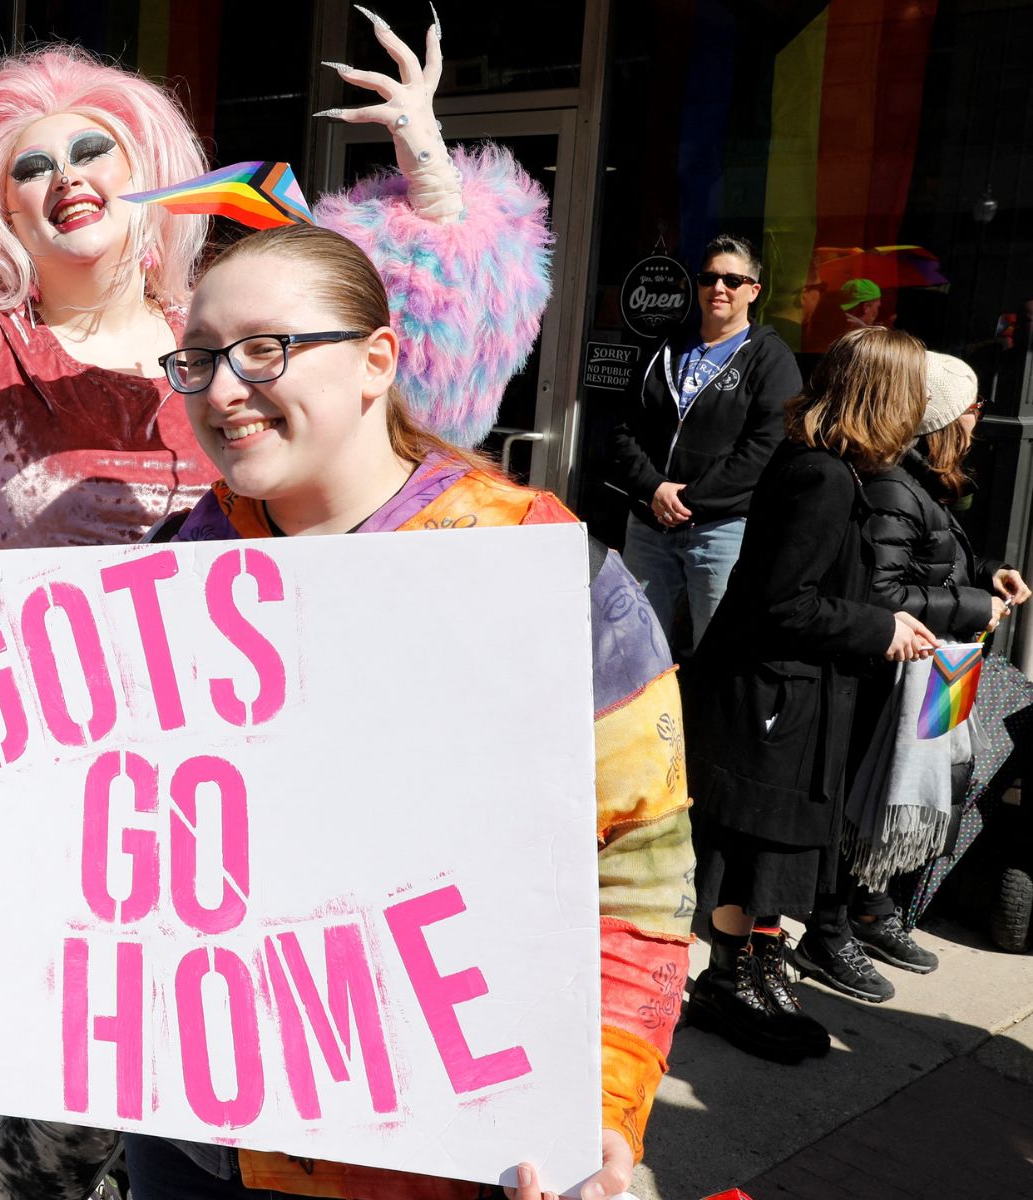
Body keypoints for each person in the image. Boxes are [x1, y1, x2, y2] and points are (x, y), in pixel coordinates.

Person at [0, 20, 545, 1200]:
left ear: (142, 165)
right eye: (29, 166)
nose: (65, 180)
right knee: (72, 1088)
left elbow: (415, 398)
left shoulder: (227, 331)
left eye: (90, 149)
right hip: (37, 771)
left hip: (242, 767)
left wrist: (424, 169)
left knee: (225, 1085)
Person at [86, 228, 690, 1200]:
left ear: (377, 360)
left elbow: (636, 884)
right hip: (187, 1138)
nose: (222, 388)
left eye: (265, 349)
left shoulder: (539, 576)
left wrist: (601, 1113)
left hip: (418, 1155)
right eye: (198, 358)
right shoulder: (172, 567)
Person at [682, 325, 941, 1064]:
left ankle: (757, 965)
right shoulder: (822, 478)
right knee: (754, 843)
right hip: (772, 702)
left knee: (771, 853)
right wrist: (877, 627)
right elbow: (781, 605)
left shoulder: (829, 468)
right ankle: (730, 979)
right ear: (885, 397)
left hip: (790, 699)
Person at [799, 352, 1033, 998]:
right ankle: (830, 925)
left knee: (922, 792)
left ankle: (871, 908)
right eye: (971, 406)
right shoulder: (895, 484)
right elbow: (885, 591)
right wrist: (974, 604)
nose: (979, 416)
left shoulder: (922, 482)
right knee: (878, 800)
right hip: (898, 673)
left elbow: (934, 560)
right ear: (939, 415)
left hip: (935, 666)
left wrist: (984, 572)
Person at [607, 234, 801, 655]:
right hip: (649, 525)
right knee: (636, 650)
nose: (719, 289)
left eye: (733, 280)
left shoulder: (770, 358)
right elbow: (624, 428)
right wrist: (654, 488)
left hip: (720, 531)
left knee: (716, 651)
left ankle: (703, 724)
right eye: (709, 278)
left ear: (754, 290)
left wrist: (691, 498)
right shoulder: (663, 345)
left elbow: (764, 450)